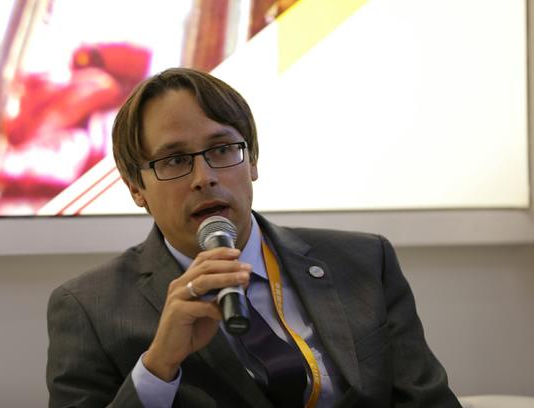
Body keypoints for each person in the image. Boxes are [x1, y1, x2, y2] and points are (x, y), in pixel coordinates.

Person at [46, 67, 462, 408]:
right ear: (136, 187)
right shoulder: (89, 308)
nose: (204, 177)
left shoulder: (364, 261)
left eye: (222, 150)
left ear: (253, 160)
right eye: (174, 160)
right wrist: (158, 366)